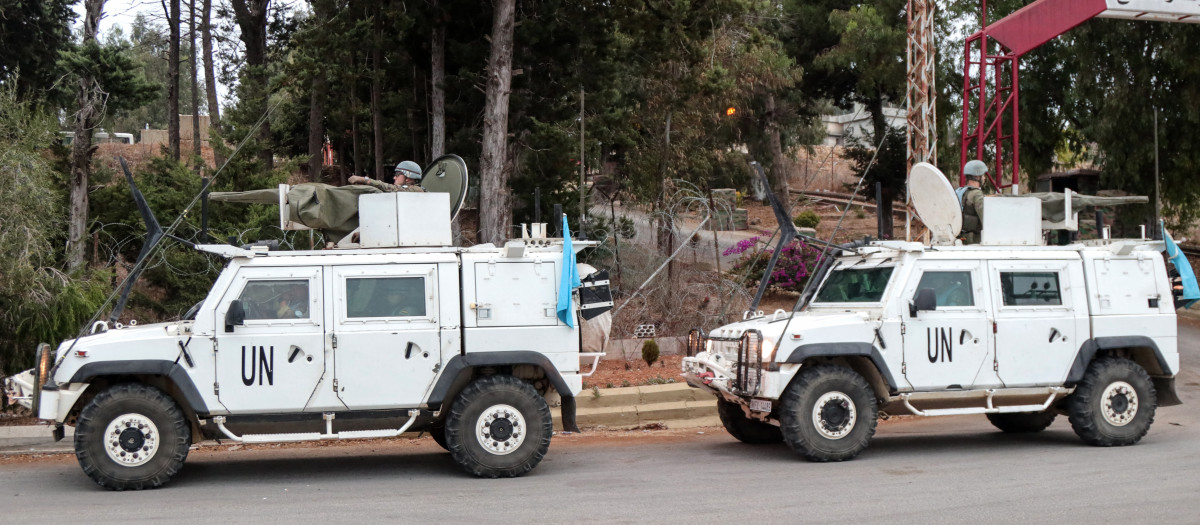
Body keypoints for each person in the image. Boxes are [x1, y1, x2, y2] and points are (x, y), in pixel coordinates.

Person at [956, 160, 988, 245]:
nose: (984, 178)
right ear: (977, 176)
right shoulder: (976, 194)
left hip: (960, 239)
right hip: (973, 242)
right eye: (983, 175)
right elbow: (986, 219)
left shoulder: (959, 191)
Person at [348, 161, 426, 193]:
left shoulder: (416, 190)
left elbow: (390, 188)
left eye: (397, 175)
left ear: (408, 178)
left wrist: (364, 180)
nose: (394, 178)